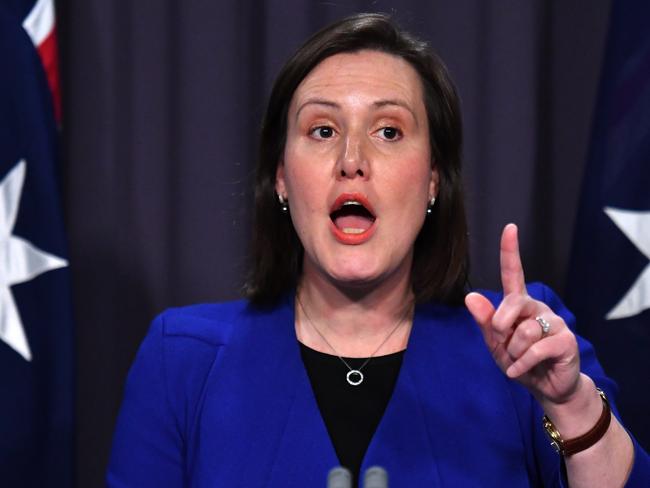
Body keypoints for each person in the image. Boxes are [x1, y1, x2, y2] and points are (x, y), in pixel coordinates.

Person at [107, 13, 649, 487]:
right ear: (280, 178)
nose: (352, 159)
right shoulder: (180, 361)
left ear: (434, 180)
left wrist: (571, 404)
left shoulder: (522, 349)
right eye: (322, 130)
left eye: (389, 132)